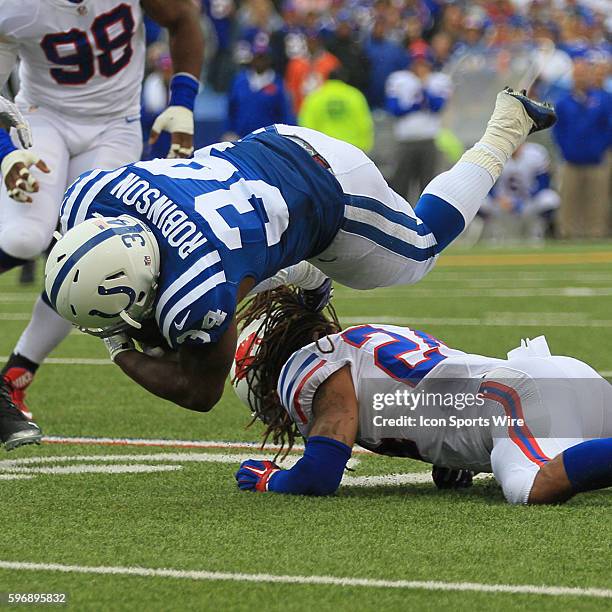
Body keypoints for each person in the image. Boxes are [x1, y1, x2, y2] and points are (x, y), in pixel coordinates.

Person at [3, 89, 555, 452]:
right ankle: (304, 278)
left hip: (330, 190)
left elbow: (199, 392)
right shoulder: (88, 197)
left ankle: (506, 126)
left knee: (420, 250)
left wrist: (116, 344)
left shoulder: (196, 287)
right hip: (266, 149)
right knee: (189, 309)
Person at [0, 0, 204, 434]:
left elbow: (184, 19)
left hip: (117, 125)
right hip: (42, 118)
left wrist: (183, 102)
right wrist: (5, 154)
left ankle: (15, 377)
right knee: (24, 237)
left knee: (92, 256)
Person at [233, 287, 612, 505]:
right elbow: (437, 389)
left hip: (518, 398)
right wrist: (452, 457)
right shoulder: (360, 339)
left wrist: (273, 481)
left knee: (534, 488)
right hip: (563, 375)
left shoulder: (305, 367)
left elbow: (320, 474)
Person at [553, 58, 611, 239]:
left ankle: (596, 233)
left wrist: (600, 147)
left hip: (597, 159)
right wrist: (566, 149)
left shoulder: (603, 99)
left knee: (597, 199)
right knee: (569, 198)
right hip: (571, 160)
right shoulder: (563, 102)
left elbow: (608, 127)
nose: (581, 77)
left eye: (584, 73)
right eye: (578, 74)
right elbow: (558, 130)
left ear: (590, 75)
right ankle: (568, 233)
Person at [385, 49, 453, 202]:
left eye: (423, 63)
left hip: (428, 139)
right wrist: (414, 106)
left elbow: (438, 106)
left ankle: (425, 220)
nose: (420, 67)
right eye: (417, 63)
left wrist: (424, 85)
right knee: (400, 184)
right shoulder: (398, 79)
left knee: (428, 185)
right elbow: (394, 109)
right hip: (405, 140)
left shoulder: (439, 80)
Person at [481, 143, 560, 242]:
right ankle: (490, 234)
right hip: (502, 203)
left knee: (550, 199)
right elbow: (485, 183)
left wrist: (527, 199)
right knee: (480, 201)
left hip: (529, 201)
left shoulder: (536, 153)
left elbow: (544, 183)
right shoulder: (494, 153)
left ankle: (540, 232)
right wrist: (497, 197)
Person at [225, 42, 295, 140]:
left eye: (263, 58)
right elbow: (231, 109)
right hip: (241, 138)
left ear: (269, 60)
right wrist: (229, 131)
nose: (260, 62)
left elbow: (285, 114)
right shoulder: (240, 82)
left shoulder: (278, 84)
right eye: (257, 57)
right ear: (252, 59)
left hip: (268, 140)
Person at [298, 69, 373, 152]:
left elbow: (307, 123)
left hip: (324, 148)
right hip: (351, 147)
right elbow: (364, 123)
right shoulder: (355, 95)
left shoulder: (316, 96)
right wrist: (365, 146)